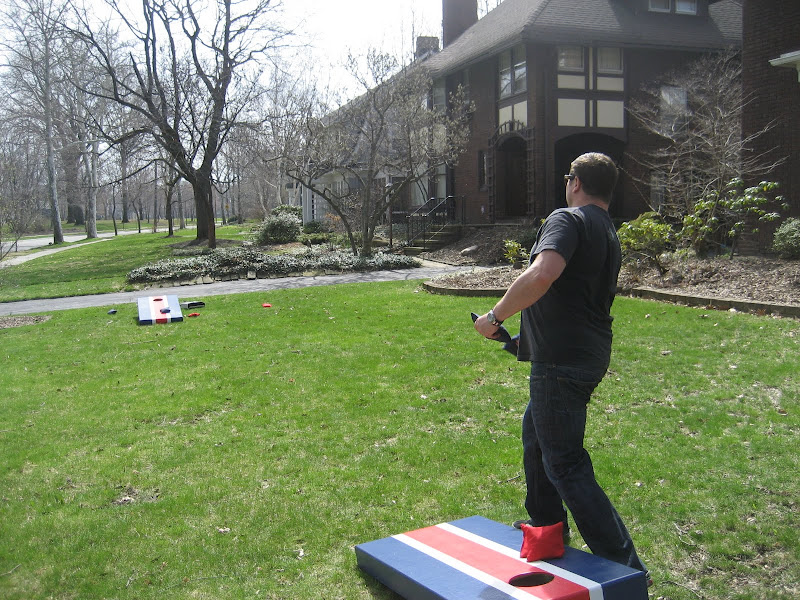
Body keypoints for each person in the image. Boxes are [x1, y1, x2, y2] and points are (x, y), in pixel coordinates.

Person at [474, 152, 650, 582]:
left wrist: (495, 317)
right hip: (584, 354)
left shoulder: (568, 220)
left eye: (567, 178)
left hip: (562, 363)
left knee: (565, 463)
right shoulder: (606, 229)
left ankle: (627, 570)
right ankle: (545, 535)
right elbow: (571, 296)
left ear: (574, 182)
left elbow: (542, 274)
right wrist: (521, 342)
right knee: (535, 436)